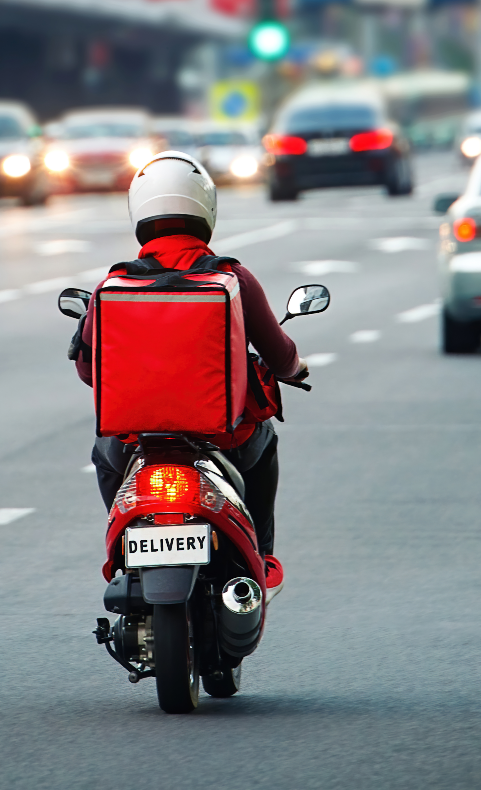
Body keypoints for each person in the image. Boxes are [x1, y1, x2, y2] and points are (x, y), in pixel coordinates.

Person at [72, 151, 308, 582]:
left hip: (136, 440)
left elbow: (88, 371)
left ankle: (124, 546)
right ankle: (262, 559)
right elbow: (279, 354)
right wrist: (295, 369)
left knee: (104, 455)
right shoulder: (233, 278)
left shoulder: (112, 284)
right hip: (224, 437)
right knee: (265, 439)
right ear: (207, 210)